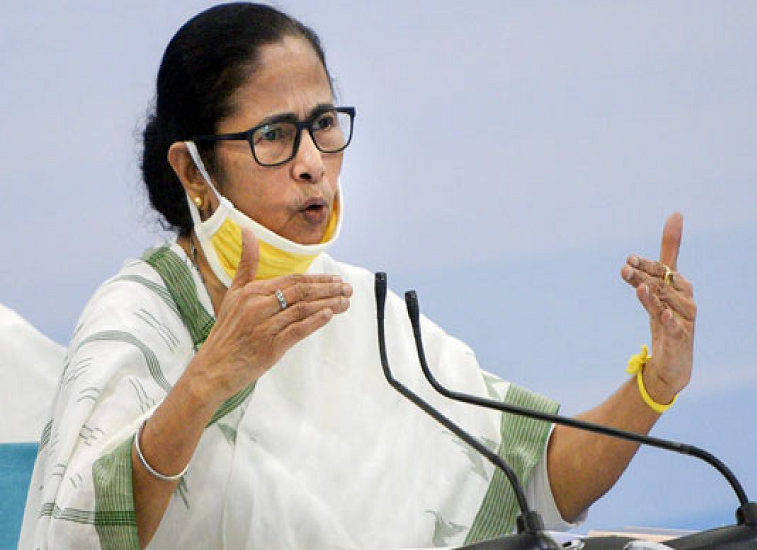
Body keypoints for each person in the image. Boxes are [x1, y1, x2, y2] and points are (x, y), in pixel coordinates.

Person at [19, 3, 696, 549]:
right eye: (274, 135)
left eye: (323, 124)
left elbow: (537, 475)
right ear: (194, 171)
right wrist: (207, 383)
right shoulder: (137, 318)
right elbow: (77, 533)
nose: (313, 162)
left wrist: (655, 384)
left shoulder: (361, 312)